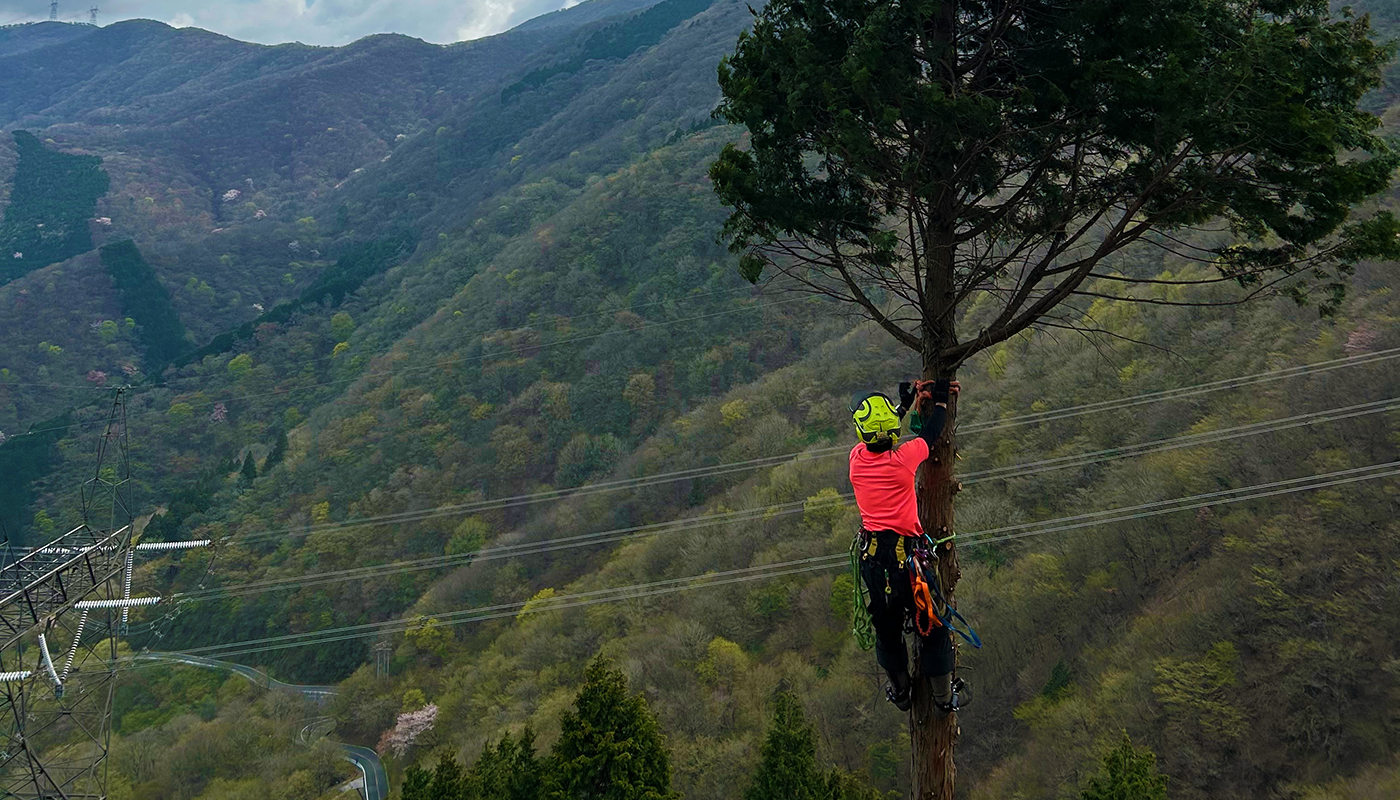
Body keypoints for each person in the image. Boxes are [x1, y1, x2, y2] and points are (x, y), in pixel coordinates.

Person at [849, 378, 963, 712]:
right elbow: (931, 434)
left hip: (873, 561)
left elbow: (880, 436)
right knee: (932, 628)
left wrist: (902, 406)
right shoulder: (905, 460)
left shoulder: (857, 460)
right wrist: (939, 402)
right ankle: (943, 698)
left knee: (886, 630)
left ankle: (900, 693)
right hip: (907, 563)